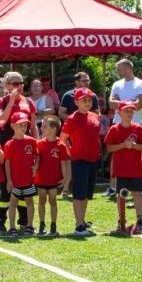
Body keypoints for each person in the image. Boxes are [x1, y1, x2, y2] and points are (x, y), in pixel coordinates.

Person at [61, 87, 102, 234]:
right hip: (79, 160)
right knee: (79, 193)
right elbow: (63, 139)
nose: (87, 102)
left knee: (87, 193)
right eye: (84, 100)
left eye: (89, 100)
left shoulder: (95, 116)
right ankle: (78, 225)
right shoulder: (72, 118)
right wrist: (70, 153)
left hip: (93, 159)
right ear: (77, 102)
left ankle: (82, 221)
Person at [104, 100, 142, 235]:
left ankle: (140, 220)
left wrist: (133, 145)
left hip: (135, 167)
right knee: (121, 194)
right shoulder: (114, 129)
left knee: (137, 193)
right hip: (121, 168)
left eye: (131, 111)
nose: (129, 113)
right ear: (119, 112)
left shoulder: (138, 128)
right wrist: (123, 145)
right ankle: (121, 219)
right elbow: (109, 147)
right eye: (126, 111)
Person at [2, 114, 39, 237]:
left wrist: (36, 166)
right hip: (15, 180)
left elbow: (37, 155)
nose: (23, 127)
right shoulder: (9, 144)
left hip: (28, 179)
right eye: (20, 125)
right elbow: (7, 163)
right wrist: (9, 180)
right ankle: (12, 227)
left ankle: (29, 226)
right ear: (13, 126)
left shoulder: (32, 141)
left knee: (29, 202)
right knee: (13, 203)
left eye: (25, 125)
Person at [34, 116, 68, 237]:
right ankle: (42, 224)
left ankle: (53, 224)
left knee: (53, 200)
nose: (42, 128)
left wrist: (65, 178)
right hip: (41, 178)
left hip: (54, 179)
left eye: (45, 126)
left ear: (54, 129)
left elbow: (64, 163)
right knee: (41, 200)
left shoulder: (61, 145)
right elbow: (36, 160)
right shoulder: (39, 144)